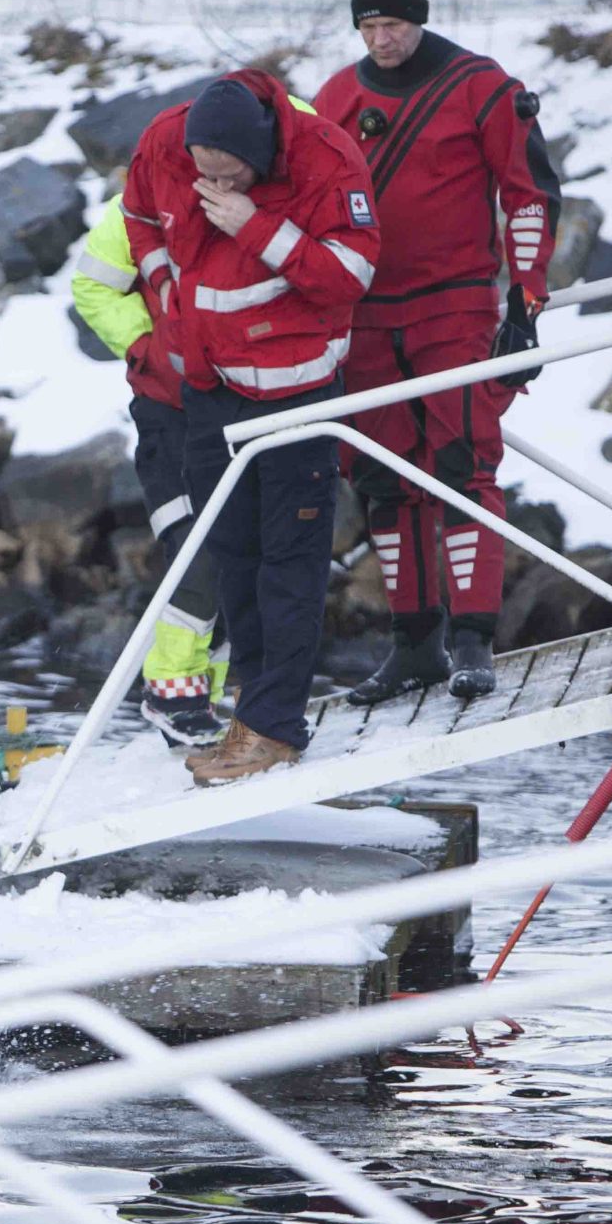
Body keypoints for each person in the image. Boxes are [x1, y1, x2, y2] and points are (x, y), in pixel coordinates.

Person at [314, 0, 560, 704]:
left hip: (454, 308)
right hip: (363, 316)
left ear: (417, 17)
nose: (380, 39)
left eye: (390, 23)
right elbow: (308, 204)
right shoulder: (334, 97)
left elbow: (529, 195)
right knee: (384, 480)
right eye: (368, 25)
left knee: (462, 467)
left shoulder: (482, 89)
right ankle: (413, 644)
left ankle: (473, 641)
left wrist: (524, 306)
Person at [122, 71, 379, 786]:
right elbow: (137, 213)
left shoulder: (325, 160)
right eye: (201, 168)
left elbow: (351, 273)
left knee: (288, 566)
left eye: (226, 171)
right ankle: (249, 714)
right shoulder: (165, 145)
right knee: (230, 557)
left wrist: (257, 226)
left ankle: (275, 727)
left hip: (296, 399)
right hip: (210, 392)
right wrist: (163, 284)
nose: (210, 180)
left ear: (259, 152)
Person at [71, 192, 222, 748]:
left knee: (246, 555)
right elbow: (92, 285)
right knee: (195, 549)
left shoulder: (304, 156)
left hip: (256, 401)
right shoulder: (145, 194)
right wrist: (149, 349)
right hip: (172, 409)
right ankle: (173, 693)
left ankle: (206, 697)